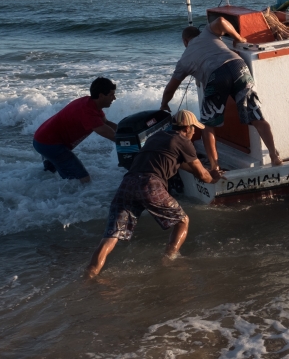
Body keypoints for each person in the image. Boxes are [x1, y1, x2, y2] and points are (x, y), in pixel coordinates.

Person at [87, 109, 213, 277]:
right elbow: (203, 176)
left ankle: (90, 274)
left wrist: (203, 172)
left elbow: (175, 162)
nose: (194, 132)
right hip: (149, 184)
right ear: (187, 128)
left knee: (111, 236)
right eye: (194, 128)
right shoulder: (183, 141)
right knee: (182, 221)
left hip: (127, 183)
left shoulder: (156, 137)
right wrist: (214, 178)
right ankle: (169, 259)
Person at [160, 20, 282, 175]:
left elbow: (170, 89)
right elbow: (222, 21)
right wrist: (239, 38)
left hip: (216, 75)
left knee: (208, 124)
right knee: (257, 115)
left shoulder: (184, 60)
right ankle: (274, 155)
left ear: (185, 41)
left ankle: (214, 167)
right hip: (238, 66)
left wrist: (164, 104)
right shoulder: (207, 33)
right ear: (198, 34)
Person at [33, 77, 118, 184]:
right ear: (101, 96)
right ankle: (66, 196)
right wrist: (130, 142)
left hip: (42, 139)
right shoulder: (88, 111)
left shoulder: (91, 104)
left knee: (49, 175)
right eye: (111, 95)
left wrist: (129, 131)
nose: (114, 98)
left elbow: (106, 123)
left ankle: (36, 186)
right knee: (83, 180)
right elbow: (110, 134)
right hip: (50, 144)